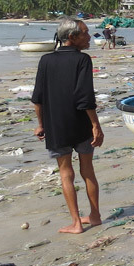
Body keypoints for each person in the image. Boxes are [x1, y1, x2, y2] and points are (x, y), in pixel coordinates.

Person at [32, 17, 104, 234]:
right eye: (85, 33)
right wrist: (95, 125)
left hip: (57, 126)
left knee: (66, 174)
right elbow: (85, 97)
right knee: (87, 171)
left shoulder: (45, 60)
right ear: (71, 38)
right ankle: (95, 215)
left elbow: (38, 98)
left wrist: (41, 125)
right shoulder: (82, 60)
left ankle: (76, 223)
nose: (89, 36)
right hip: (81, 123)